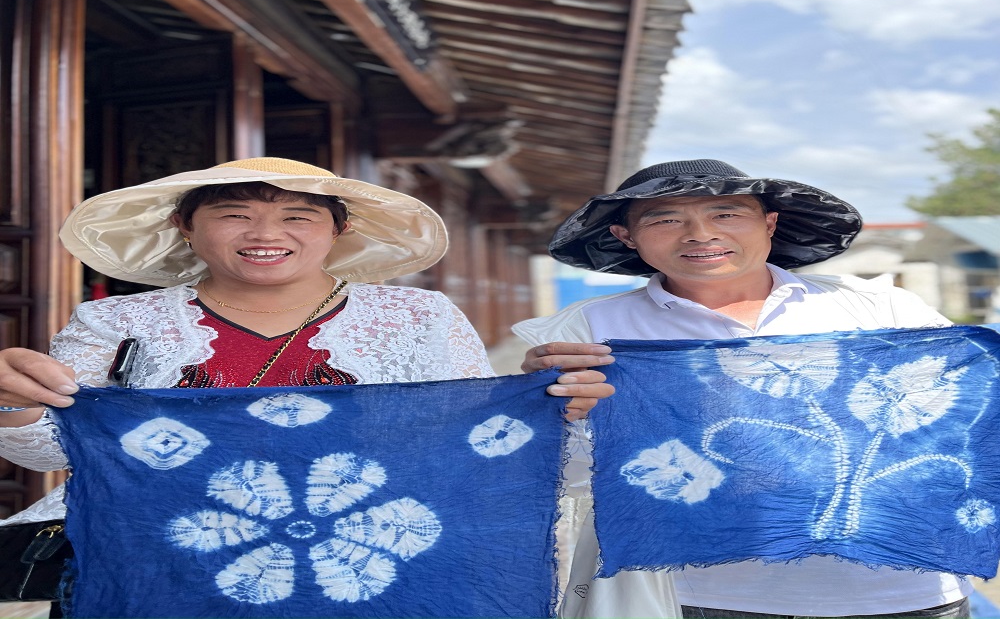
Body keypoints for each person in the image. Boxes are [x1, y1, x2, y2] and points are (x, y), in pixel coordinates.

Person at [0, 156, 609, 537]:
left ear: (339, 229)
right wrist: (15, 403)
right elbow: (52, 452)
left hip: (364, 544)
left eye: (299, 216)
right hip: (151, 542)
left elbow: (466, 439)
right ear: (184, 226)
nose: (265, 234)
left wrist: (546, 406)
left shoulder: (418, 316)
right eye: (233, 214)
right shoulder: (116, 320)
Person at [516, 158, 970, 619]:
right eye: (666, 220)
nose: (700, 234)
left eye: (726, 214)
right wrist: (548, 411)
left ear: (769, 223)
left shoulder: (881, 310)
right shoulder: (586, 332)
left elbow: (967, 421)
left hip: (905, 589)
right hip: (703, 597)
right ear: (626, 236)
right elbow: (558, 475)